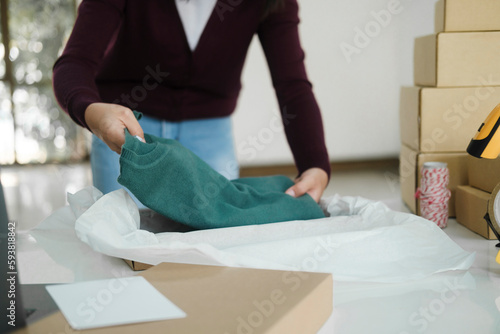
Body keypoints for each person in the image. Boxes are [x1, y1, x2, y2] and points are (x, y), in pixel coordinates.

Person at [53, 0, 330, 203]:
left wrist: (315, 164)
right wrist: (90, 111)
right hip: (124, 129)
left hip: (210, 134)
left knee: (213, 252)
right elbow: (75, 62)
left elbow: (292, 86)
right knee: (123, 252)